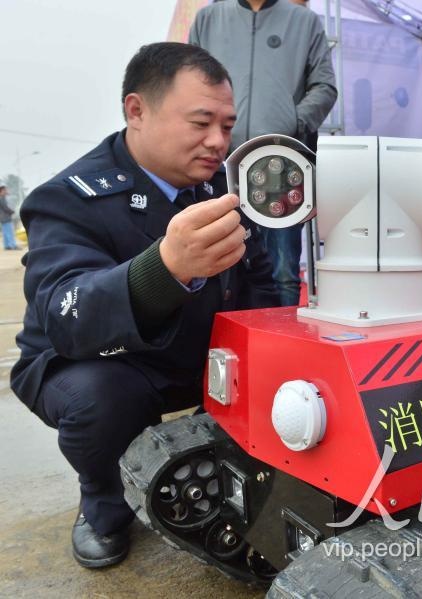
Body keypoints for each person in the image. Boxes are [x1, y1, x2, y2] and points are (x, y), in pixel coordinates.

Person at [10, 42, 279, 569]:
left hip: (198, 355)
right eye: (201, 122)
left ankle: (225, 475)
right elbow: (68, 317)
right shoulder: (68, 197)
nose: (218, 141)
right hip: (102, 362)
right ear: (136, 110)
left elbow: (261, 287)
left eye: (227, 125)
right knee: (102, 397)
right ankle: (104, 505)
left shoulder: (224, 191)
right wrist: (165, 268)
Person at [190, 0, 337, 306]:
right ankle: (222, 334)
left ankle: (280, 335)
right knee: (216, 263)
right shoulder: (208, 19)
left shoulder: (304, 21)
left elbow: (324, 86)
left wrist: (292, 123)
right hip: (218, 163)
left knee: (282, 269)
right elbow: (187, 81)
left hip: (281, 165)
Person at [0, 185, 20, 249]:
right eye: (5, 190)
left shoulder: (2, 198)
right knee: (9, 232)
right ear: (2, 191)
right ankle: (12, 245)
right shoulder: (2, 198)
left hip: (3, 218)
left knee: (6, 232)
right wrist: (12, 211)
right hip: (6, 218)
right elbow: (5, 208)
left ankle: (7, 246)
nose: (6, 191)